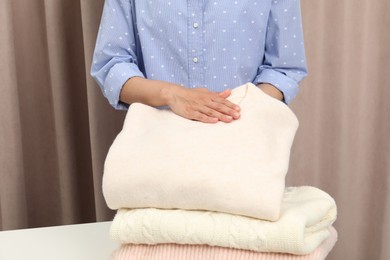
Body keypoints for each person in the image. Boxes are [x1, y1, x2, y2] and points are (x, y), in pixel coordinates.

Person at [91, 0, 307, 123]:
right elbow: (111, 65)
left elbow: (283, 69)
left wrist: (231, 113)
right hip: (158, 149)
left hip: (244, 146)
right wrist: (172, 95)